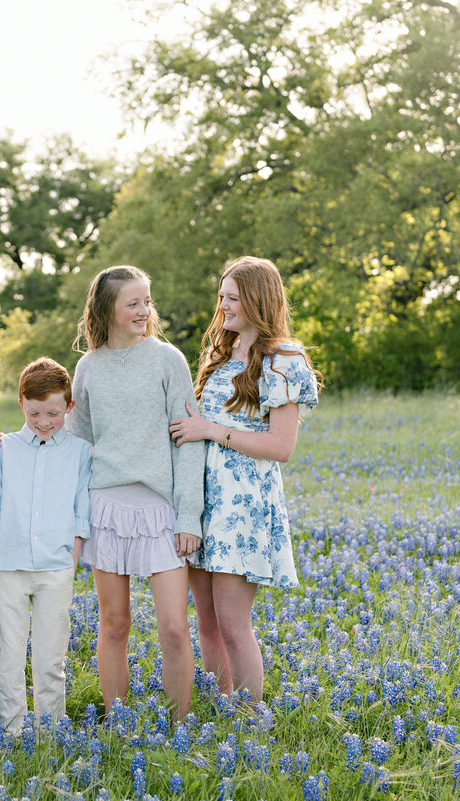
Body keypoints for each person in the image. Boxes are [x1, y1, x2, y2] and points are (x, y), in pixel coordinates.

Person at [168, 256, 322, 705]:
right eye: (221, 296)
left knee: (235, 626)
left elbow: (281, 447)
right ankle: (222, 707)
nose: (223, 306)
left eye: (232, 298)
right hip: (200, 501)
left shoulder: (284, 361)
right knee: (208, 624)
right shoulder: (221, 354)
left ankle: (251, 717)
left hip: (242, 506)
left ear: (257, 300)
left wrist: (213, 431)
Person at [65, 265, 204, 720]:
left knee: (174, 628)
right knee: (115, 623)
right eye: (133, 303)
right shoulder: (88, 367)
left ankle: (178, 726)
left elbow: (189, 441)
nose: (145, 310)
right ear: (107, 309)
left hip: (160, 508)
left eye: (148, 301)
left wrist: (189, 516)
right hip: (105, 506)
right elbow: (76, 443)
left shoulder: (168, 360)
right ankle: (119, 722)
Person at [0, 357, 92, 735]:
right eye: (35, 412)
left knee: (50, 656)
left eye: (53, 413)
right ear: (21, 404)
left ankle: (49, 732)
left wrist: (72, 555)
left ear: (68, 408)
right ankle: (9, 733)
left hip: (55, 568)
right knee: (6, 654)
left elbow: (81, 508)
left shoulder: (80, 450)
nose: (43, 421)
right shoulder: (5, 448)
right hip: (7, 565)